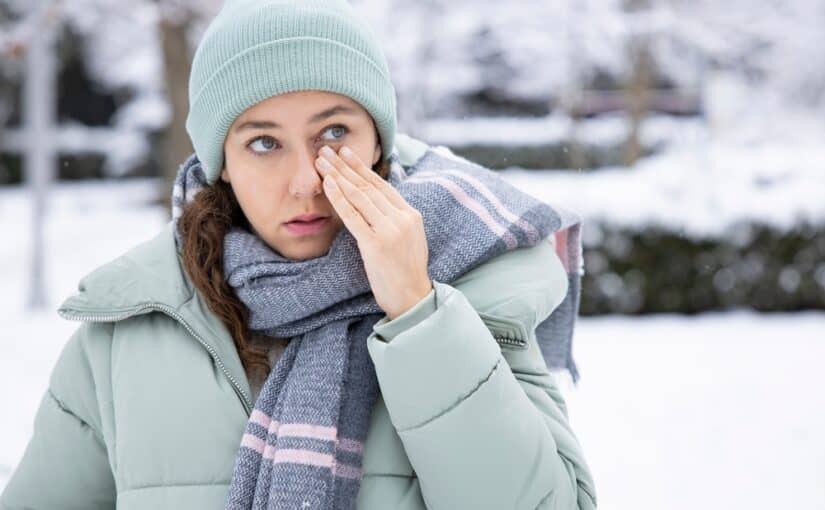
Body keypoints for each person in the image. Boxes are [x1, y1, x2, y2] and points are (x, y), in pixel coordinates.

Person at [0, 0, 597, 509]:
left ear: (377, 141)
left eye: (334, 134)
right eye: (263, 142)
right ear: (222, 165)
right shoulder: (129, 328)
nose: (306, 182)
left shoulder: (476, 282)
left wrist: (419, 313)